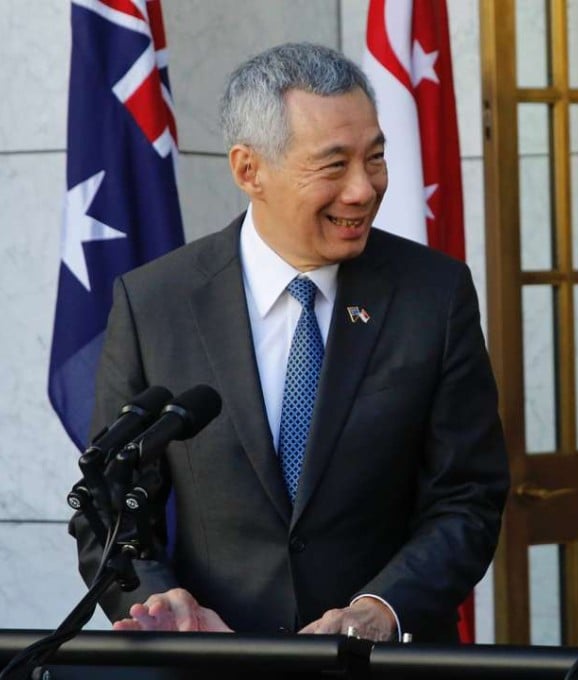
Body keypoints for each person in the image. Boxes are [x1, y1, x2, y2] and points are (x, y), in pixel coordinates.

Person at [70, 42, 508, 643]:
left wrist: (382, 608)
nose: (363, 189)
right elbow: (108, 508)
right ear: (250, 170)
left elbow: (468, 496)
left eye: (374, 159)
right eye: (333, 165)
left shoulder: (434, 294)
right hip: (216, 660)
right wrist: (159, 602)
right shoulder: (156, 303)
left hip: (389, 664)